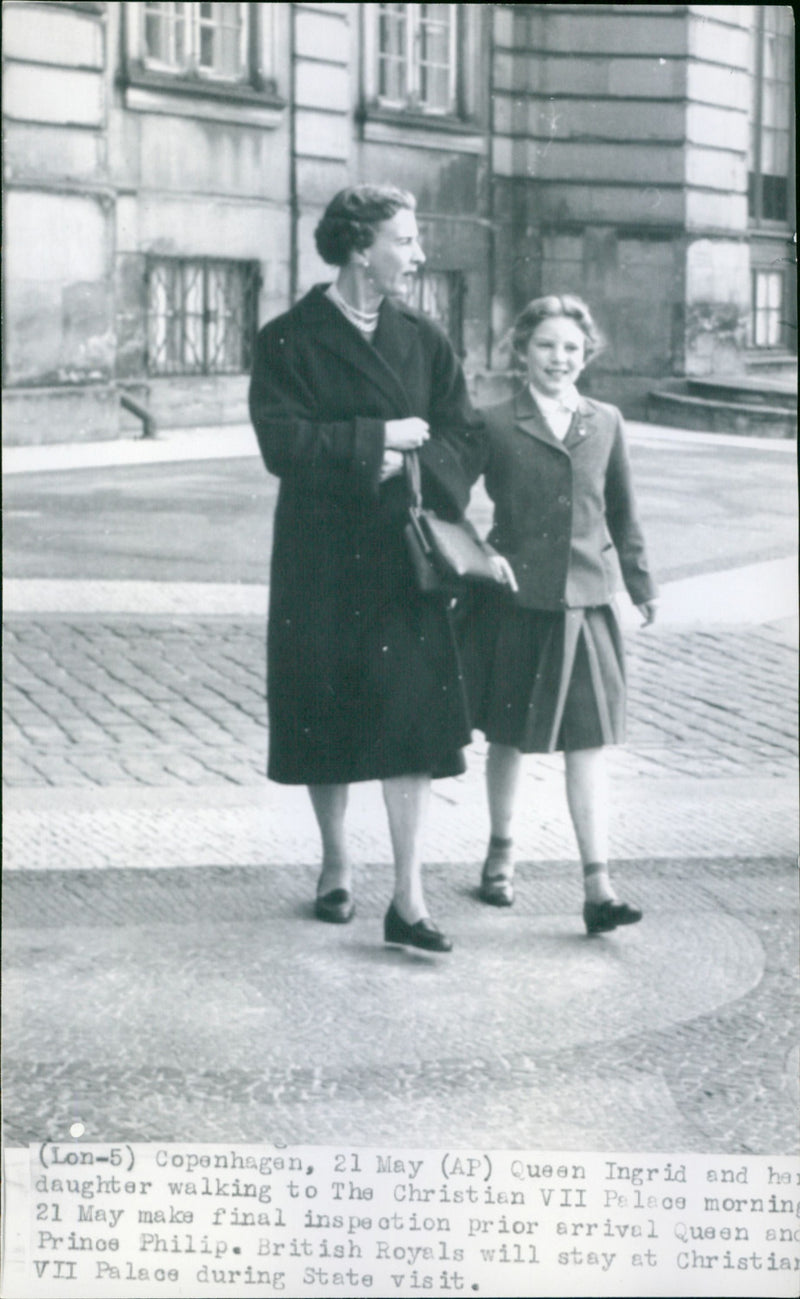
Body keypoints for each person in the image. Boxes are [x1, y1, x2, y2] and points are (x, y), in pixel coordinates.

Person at [249, 184, 485, 953]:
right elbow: (282, 442)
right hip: (321, 554)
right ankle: (336, 858)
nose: (417, 256)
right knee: (326, 705)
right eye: (406, 242)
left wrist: (411, 470)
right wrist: (378, 443)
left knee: (410, 718)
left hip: (402, 559)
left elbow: (464, 433)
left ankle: (409, 894)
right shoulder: (288, 338)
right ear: (361, 249)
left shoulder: (423, 336)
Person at [463, 293, 658, 934]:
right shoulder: (491, 422)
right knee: (510, 739)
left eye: (572, 347)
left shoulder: (606, 421)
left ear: (587, 354)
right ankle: (500, 855)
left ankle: (598, 885)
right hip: (517, 604)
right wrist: (474, 557)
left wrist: (641, 583)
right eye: (546, 345)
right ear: (522, 351)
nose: (559, 358)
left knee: (589, 744)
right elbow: (445, 501)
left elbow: (623, 512)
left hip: (587, 605)